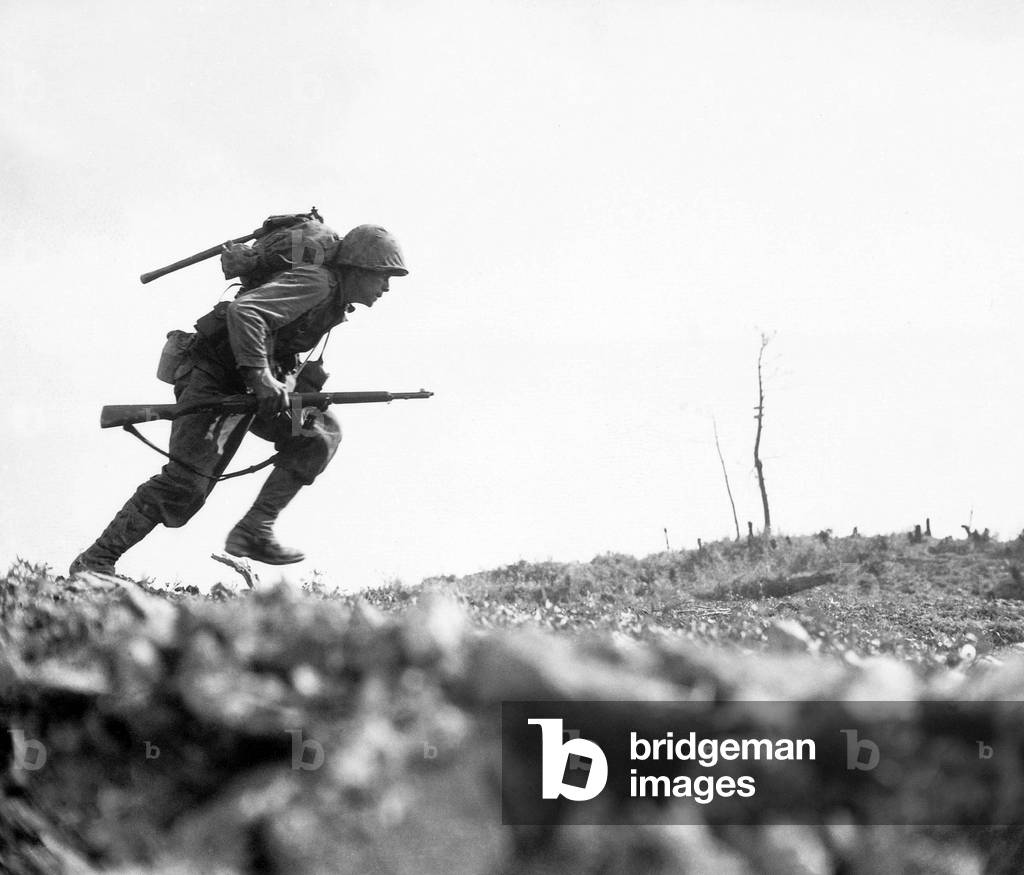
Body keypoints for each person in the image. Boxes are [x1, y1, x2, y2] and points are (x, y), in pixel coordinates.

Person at [69, 222, 408, 576]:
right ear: (360, 268)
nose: (385, 287)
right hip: (215, 377)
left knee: (317, 432)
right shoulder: (317, 283)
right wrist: (262, 379)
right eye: (383, 276)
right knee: (185, 485)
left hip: (253, 387)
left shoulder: (333, 299)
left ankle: (254, 530)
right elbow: (245, 312)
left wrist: (287, 382)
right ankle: (96, 561)